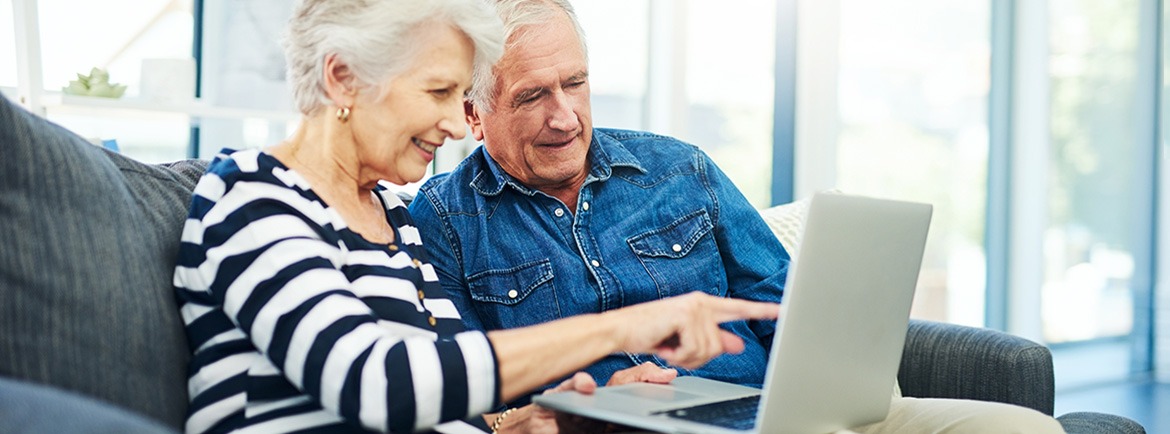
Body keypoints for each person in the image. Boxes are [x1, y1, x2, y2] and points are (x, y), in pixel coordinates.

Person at [408, 0, 1067, 433]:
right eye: (531, 96)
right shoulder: (443, 222)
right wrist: (569, 412)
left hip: (777, 417)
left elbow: (788, 309)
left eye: (575, 84)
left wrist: (827, 389)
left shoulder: (679, 170)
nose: (565, 116)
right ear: (472, 113)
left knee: (1028, 428)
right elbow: (459, 396)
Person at [171, 1, 781, 433]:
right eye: (439, 92)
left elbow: (458, 397)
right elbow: (377, 384)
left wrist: (542, 421)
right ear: (343, 78)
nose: (454, 122)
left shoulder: (390, 220)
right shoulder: (252, 195)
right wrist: (624, 329)